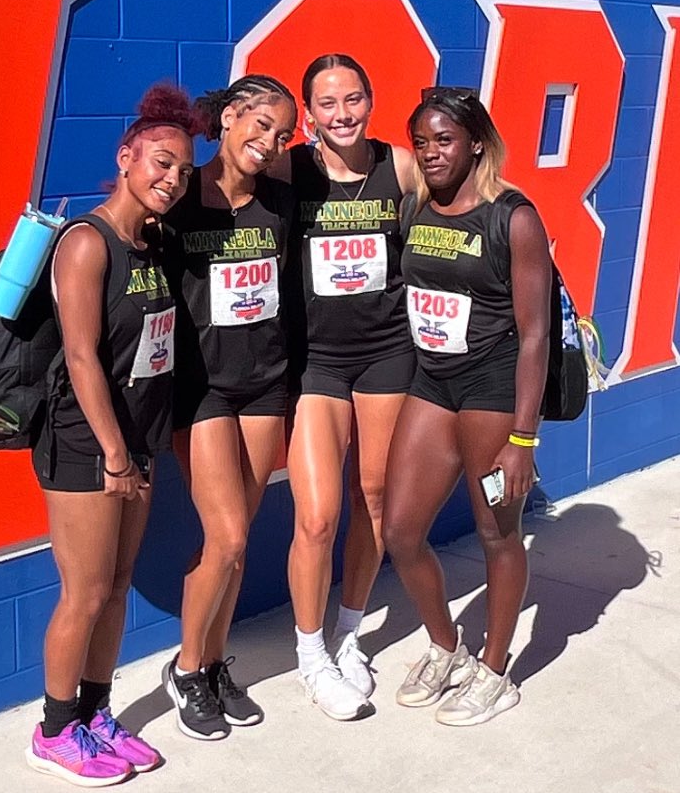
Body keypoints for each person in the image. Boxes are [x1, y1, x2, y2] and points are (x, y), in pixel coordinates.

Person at [26, 83, 199, 785]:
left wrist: (139, 449)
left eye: (183, 171)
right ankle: (54, 728)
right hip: (88, 444)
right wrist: (116, 454)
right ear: (126, 157)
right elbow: (80, 356)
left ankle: (96, 714)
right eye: (161, 162)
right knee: (87, 590)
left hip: (137, 442)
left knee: (120, 583)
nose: (171, 179)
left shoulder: (152, 243)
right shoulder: (87, 242)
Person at [381, 86, 552, 726]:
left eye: (443, 140)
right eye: (421, 142)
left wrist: (523, 439)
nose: (429, 153)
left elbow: (535, 333)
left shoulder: (513, 217)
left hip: (492, 390)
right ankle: (446, 647)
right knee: (400, 529)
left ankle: (496, 670)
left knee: (495, 532)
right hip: (433, 385)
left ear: (476, 141)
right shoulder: (416, 207)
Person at [270, 53, 417, 721]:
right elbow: (223, 190)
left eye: (353, 98)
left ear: (371, 99)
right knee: (318, 514)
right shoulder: (291, 169)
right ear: (309, 114)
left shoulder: (400, 167)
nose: (342, 114)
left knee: (378, 498)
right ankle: (310, 655)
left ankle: (349, 632)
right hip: (317, 365)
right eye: (327, 103)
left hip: (387, 353)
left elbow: (450, 227)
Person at [160, 74, 298, 741]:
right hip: (202, 389)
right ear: (232, 117)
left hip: (265, 384)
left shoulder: (280, 203)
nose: (269, 142)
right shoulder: (182, 196)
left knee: (236, 546)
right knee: (230, 536)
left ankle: (215, 663)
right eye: (260, 124)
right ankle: (187, 668)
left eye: (281, 134)